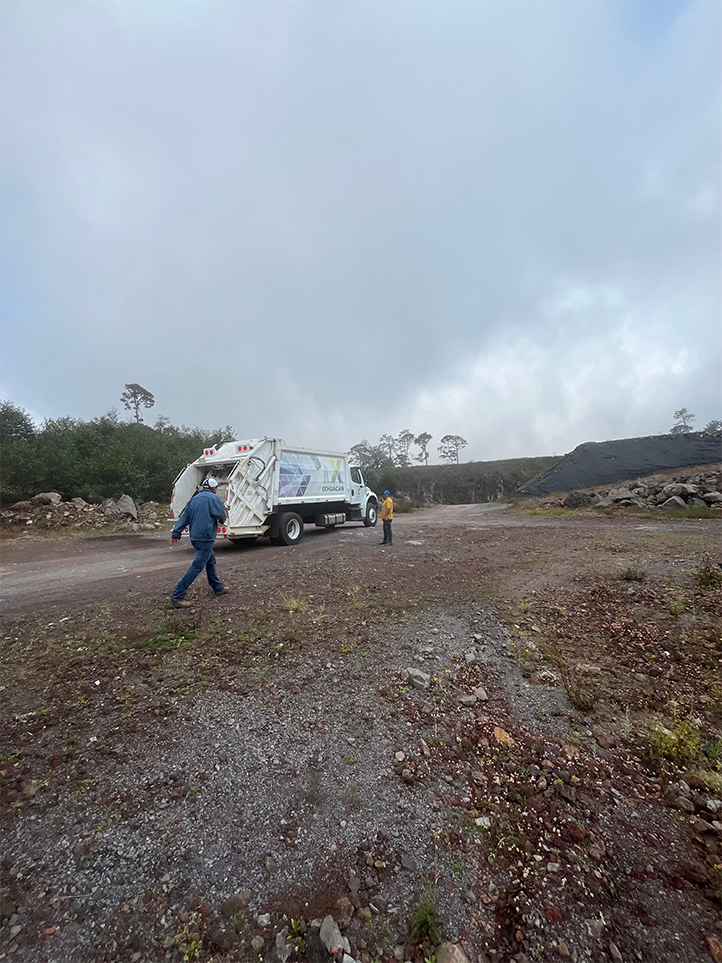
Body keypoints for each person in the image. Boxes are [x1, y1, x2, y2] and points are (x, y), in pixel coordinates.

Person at [169, 476, 229, 608]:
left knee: (210, 561)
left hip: (195, 537)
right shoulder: (213, 498)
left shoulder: (193, 499)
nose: (216, 489)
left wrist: (176, 534)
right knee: (197, 566)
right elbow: (222, 516)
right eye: (216, 487)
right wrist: (222, 519)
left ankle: (218, 587)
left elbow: (184, 518)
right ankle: (177, 596)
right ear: (213, 488)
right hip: (206, 537)